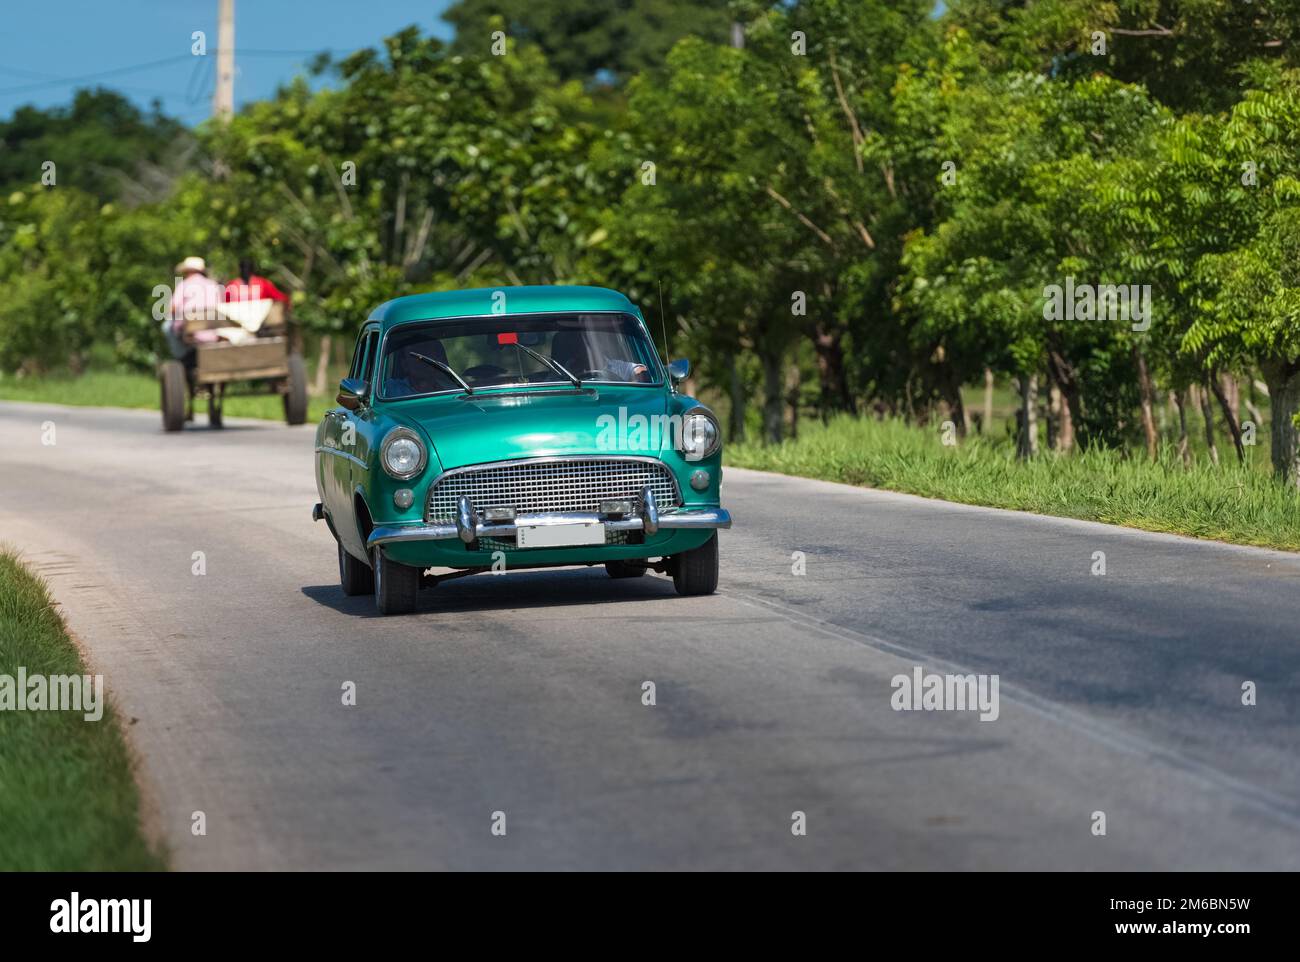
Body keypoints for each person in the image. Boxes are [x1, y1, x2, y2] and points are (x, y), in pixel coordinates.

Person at [163, 256, 221, 362]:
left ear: (188, 271)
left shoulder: (184, 285)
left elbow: (173, 308)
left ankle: (181, 358)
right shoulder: (213, 285)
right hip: (213, 330)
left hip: (191, 330)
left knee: (166, 326)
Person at [223, 258, 290, 305]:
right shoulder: (231, 286)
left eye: (247, 268)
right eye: (244, 268)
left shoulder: (263, 284)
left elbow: (279, 297)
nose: (245, 271)